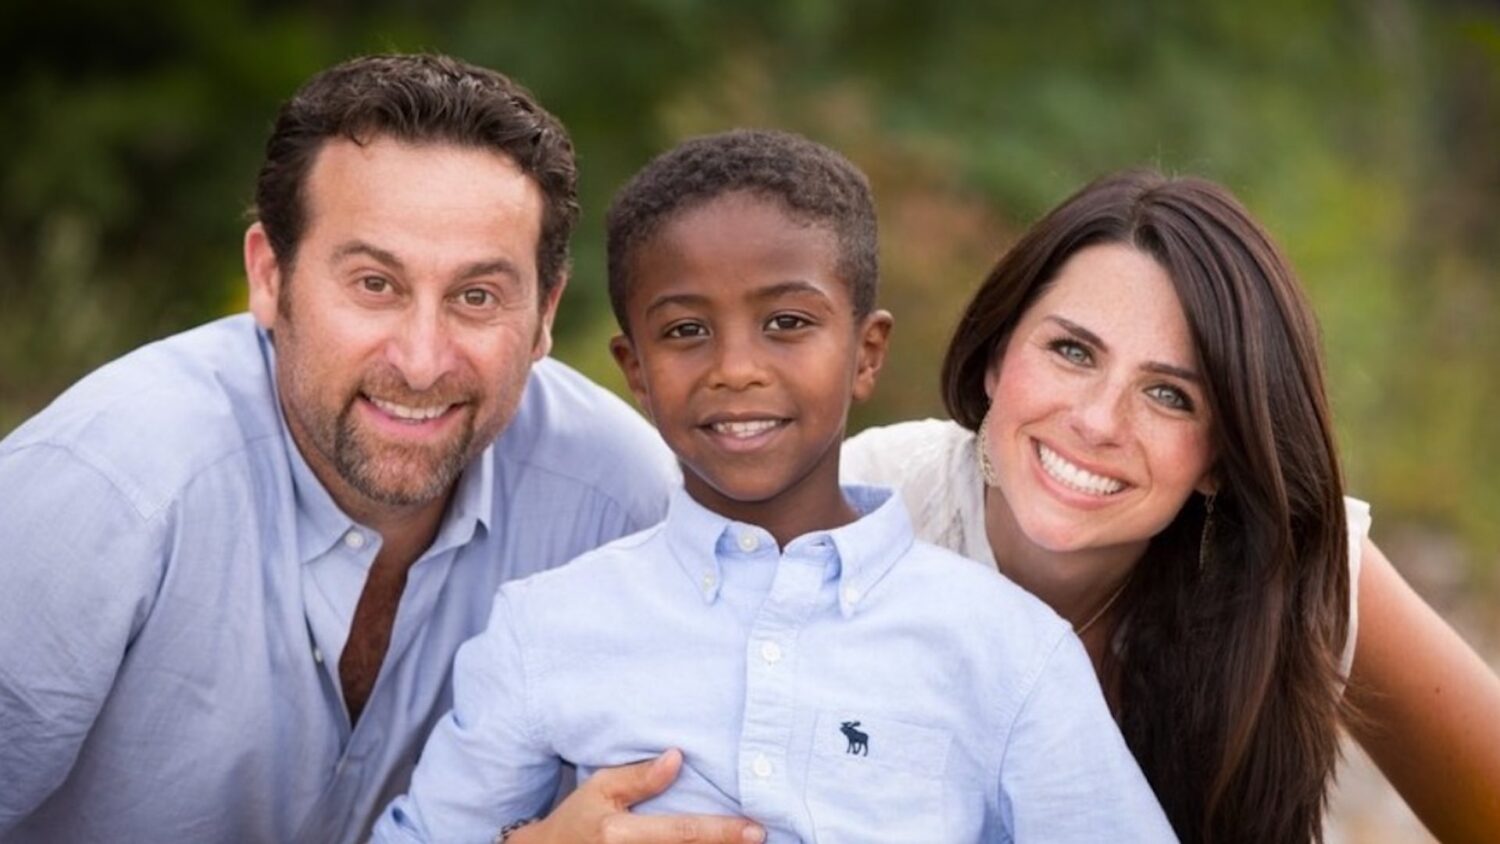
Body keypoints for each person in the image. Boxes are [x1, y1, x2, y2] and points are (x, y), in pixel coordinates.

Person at [372, 129, 1176, 843]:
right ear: (637, 374)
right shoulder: (546, 627)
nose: (736, 369)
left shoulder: (1009, 648)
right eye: (685, 332)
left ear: (866, 352)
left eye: (788, 322)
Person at [0, 53, 713, 844]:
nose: (420, 359)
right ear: (269, 278)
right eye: (375, 283)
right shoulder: (106, 492)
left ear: (545, 313)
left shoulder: (621, 502)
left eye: (477, 297)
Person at [841, 170, 1500, 841]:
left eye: (1169, 395)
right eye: (1072, 351)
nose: (1099, 421)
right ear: (996, 358)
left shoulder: (1292, 570)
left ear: (1220, 457)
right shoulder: (857, 507)